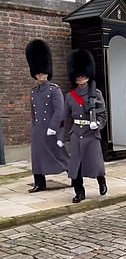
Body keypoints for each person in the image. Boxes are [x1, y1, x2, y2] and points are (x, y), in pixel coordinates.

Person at [58, 49, 107, 203]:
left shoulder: (96, 94)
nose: (80, 77)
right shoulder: (70, 96)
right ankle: (79, 192)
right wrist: (61, 137)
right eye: (78, 75)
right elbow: (65, 119)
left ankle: (101, 181)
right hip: (76, 134)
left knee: (95, 162)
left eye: (83, 74)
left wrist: (97, 124)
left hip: (91, 133)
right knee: (76, 165)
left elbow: (103, 115)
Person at [25, 39, 69, 193]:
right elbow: (33, 112)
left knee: (58, 155)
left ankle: (73, 173)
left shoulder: (54, 90)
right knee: (37, 157)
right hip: (38, 129)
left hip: (51, 127)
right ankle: (39, 182)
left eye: (43, 72)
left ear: (47, 72)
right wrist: (35, 128)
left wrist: (53, 127)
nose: (41, 75)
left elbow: (60, 110)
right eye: (38, 73)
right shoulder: (33, 92)